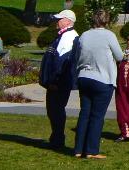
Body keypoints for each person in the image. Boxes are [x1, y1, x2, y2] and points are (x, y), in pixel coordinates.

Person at [72, 10, 124, 159]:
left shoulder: (84, 35)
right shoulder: (109, 35)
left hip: (84, 76)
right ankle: (91, 151)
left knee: (84, 114)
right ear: (107, 21)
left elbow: (77, 55)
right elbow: (119, 56)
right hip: (102, 78)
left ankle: (78, 149)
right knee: (97, 116)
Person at [39, 9, 79, 151]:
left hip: (59, 82)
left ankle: (57, 140)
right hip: (56, 81)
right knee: (53, 110)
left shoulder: (69, 37)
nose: (57, 21)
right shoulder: (63, 35)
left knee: (56, 109)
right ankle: (56, 138)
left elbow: (62, 62)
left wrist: (55, 81)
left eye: (59, 19)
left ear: (68, 21)